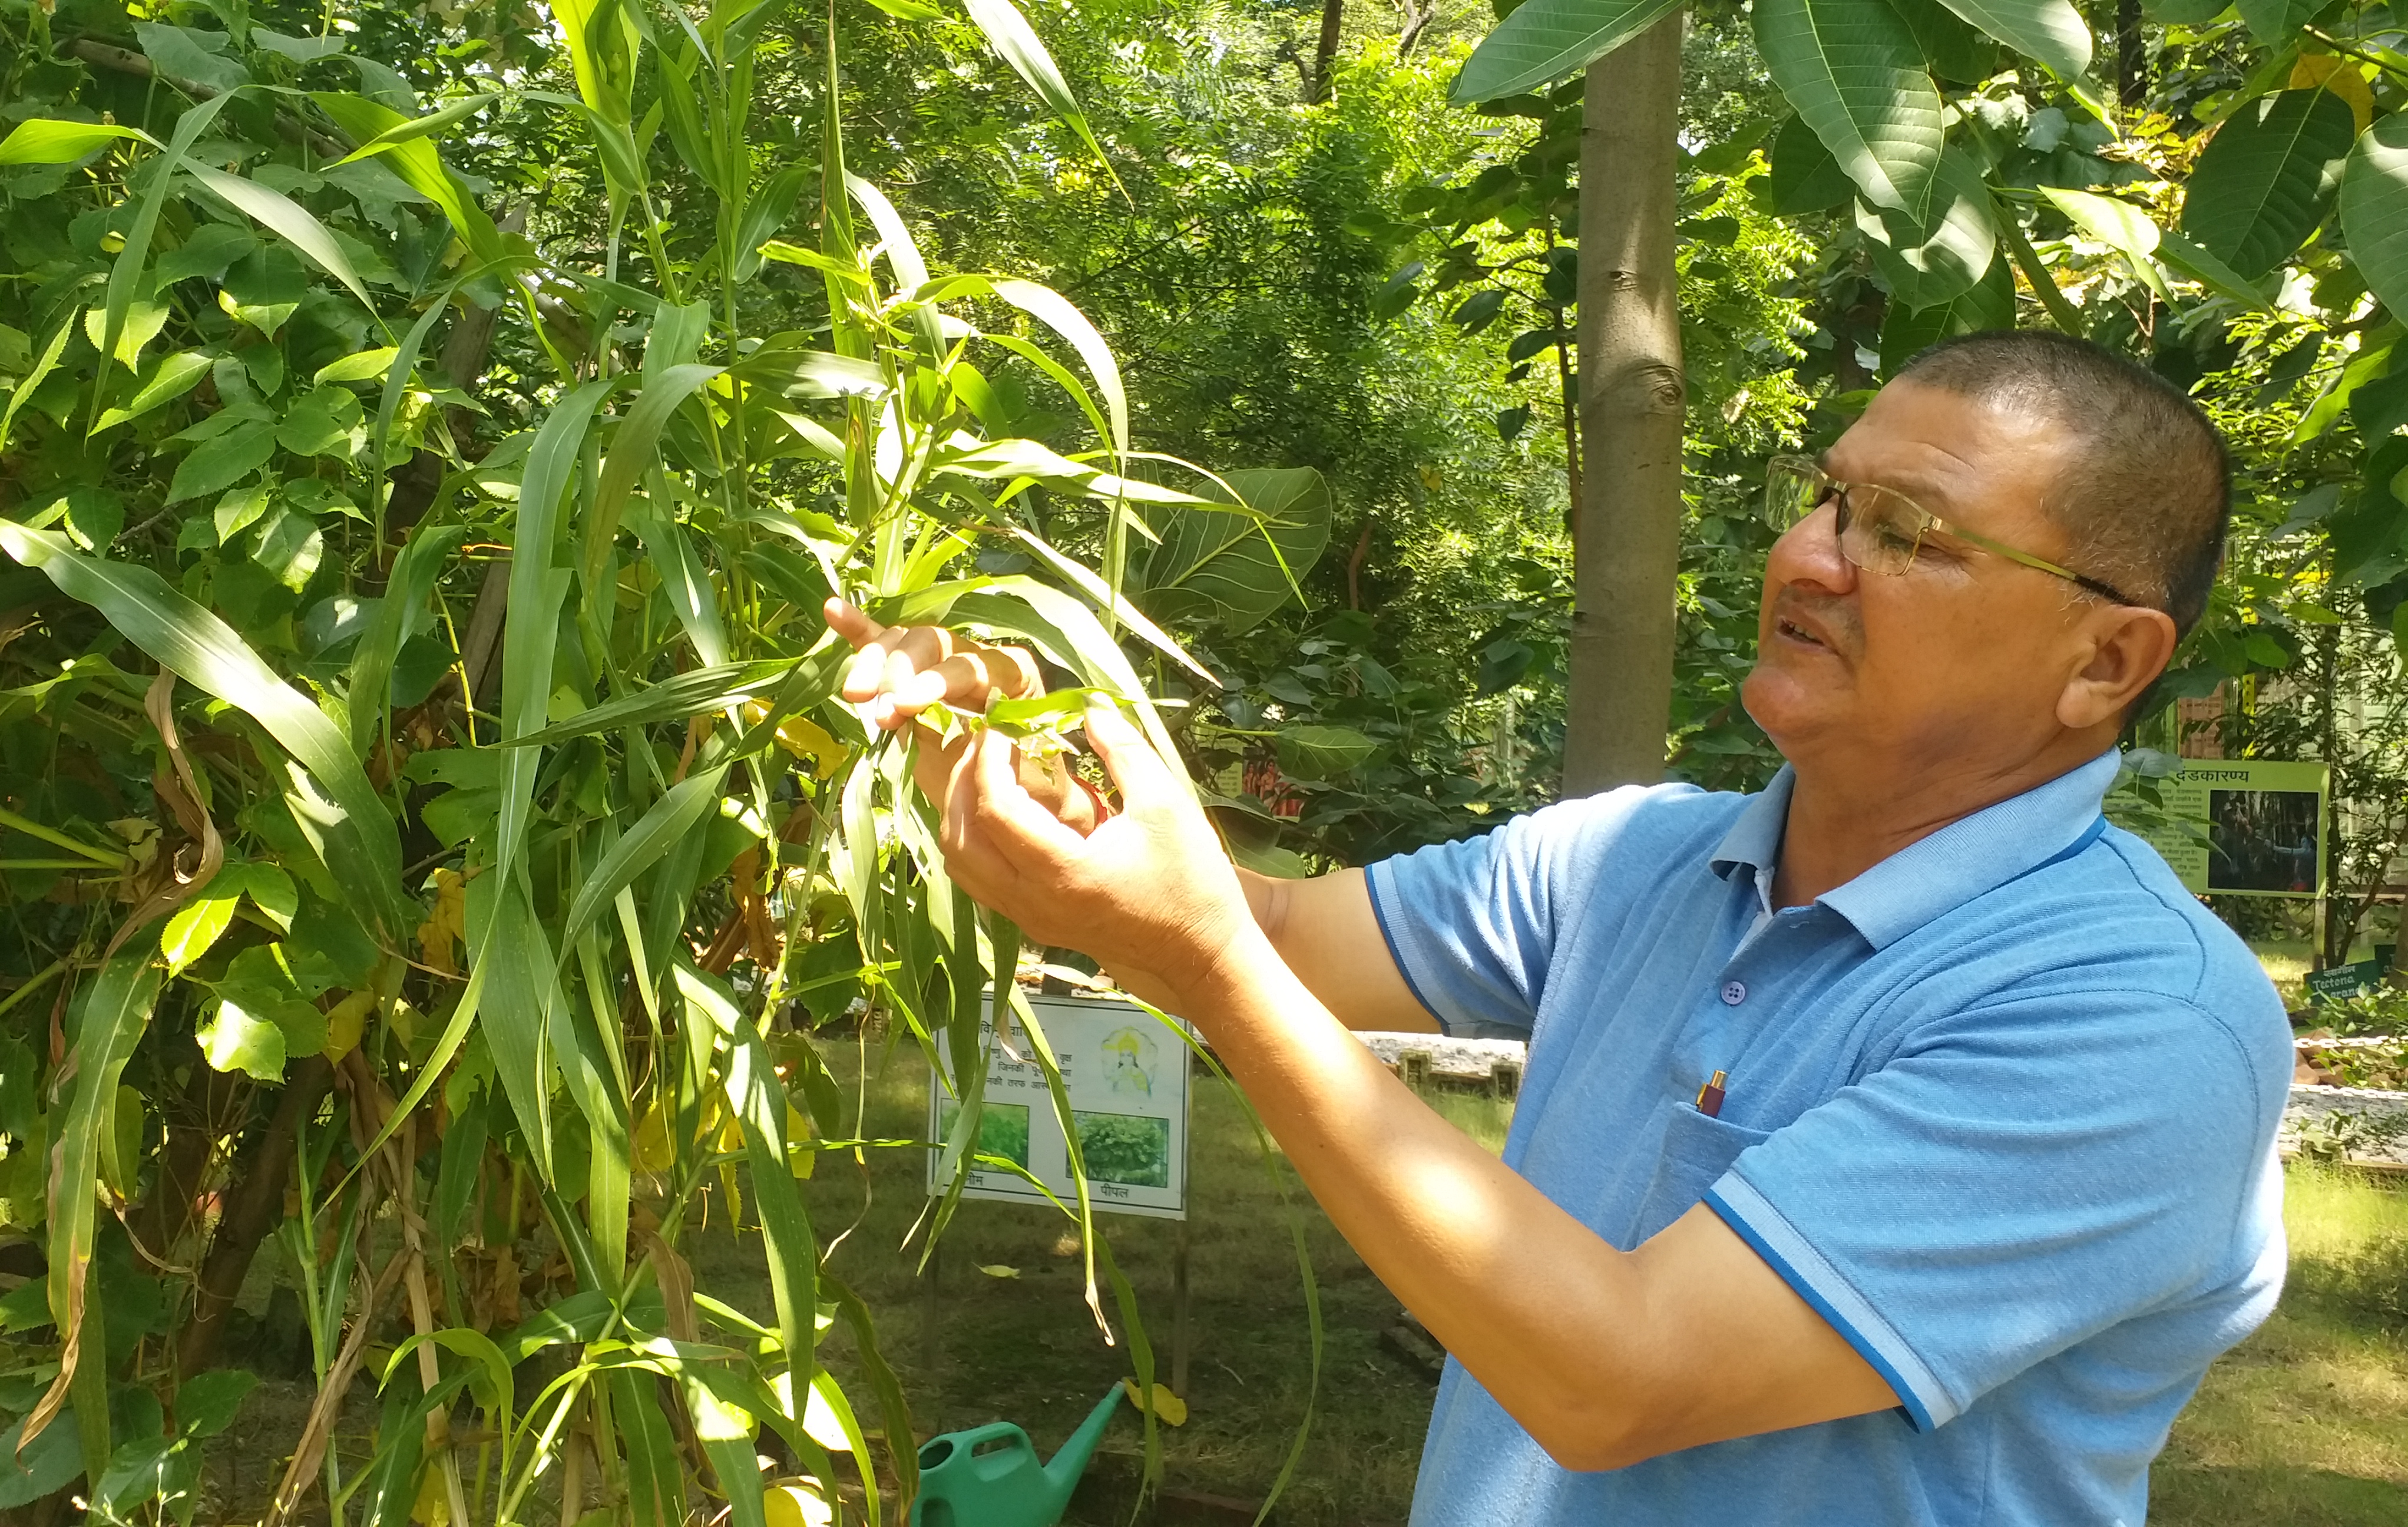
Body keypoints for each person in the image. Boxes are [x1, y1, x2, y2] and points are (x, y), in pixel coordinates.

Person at [824, 330, 2290, 1526]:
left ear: (2106, 660)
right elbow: (1266, 930)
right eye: (1830, 495)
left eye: (1907, 532)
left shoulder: (2139, 1022)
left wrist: (1203, 960)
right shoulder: (1637, 860)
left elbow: (1621, 1379)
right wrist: (1020, 756)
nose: (1811, 556)